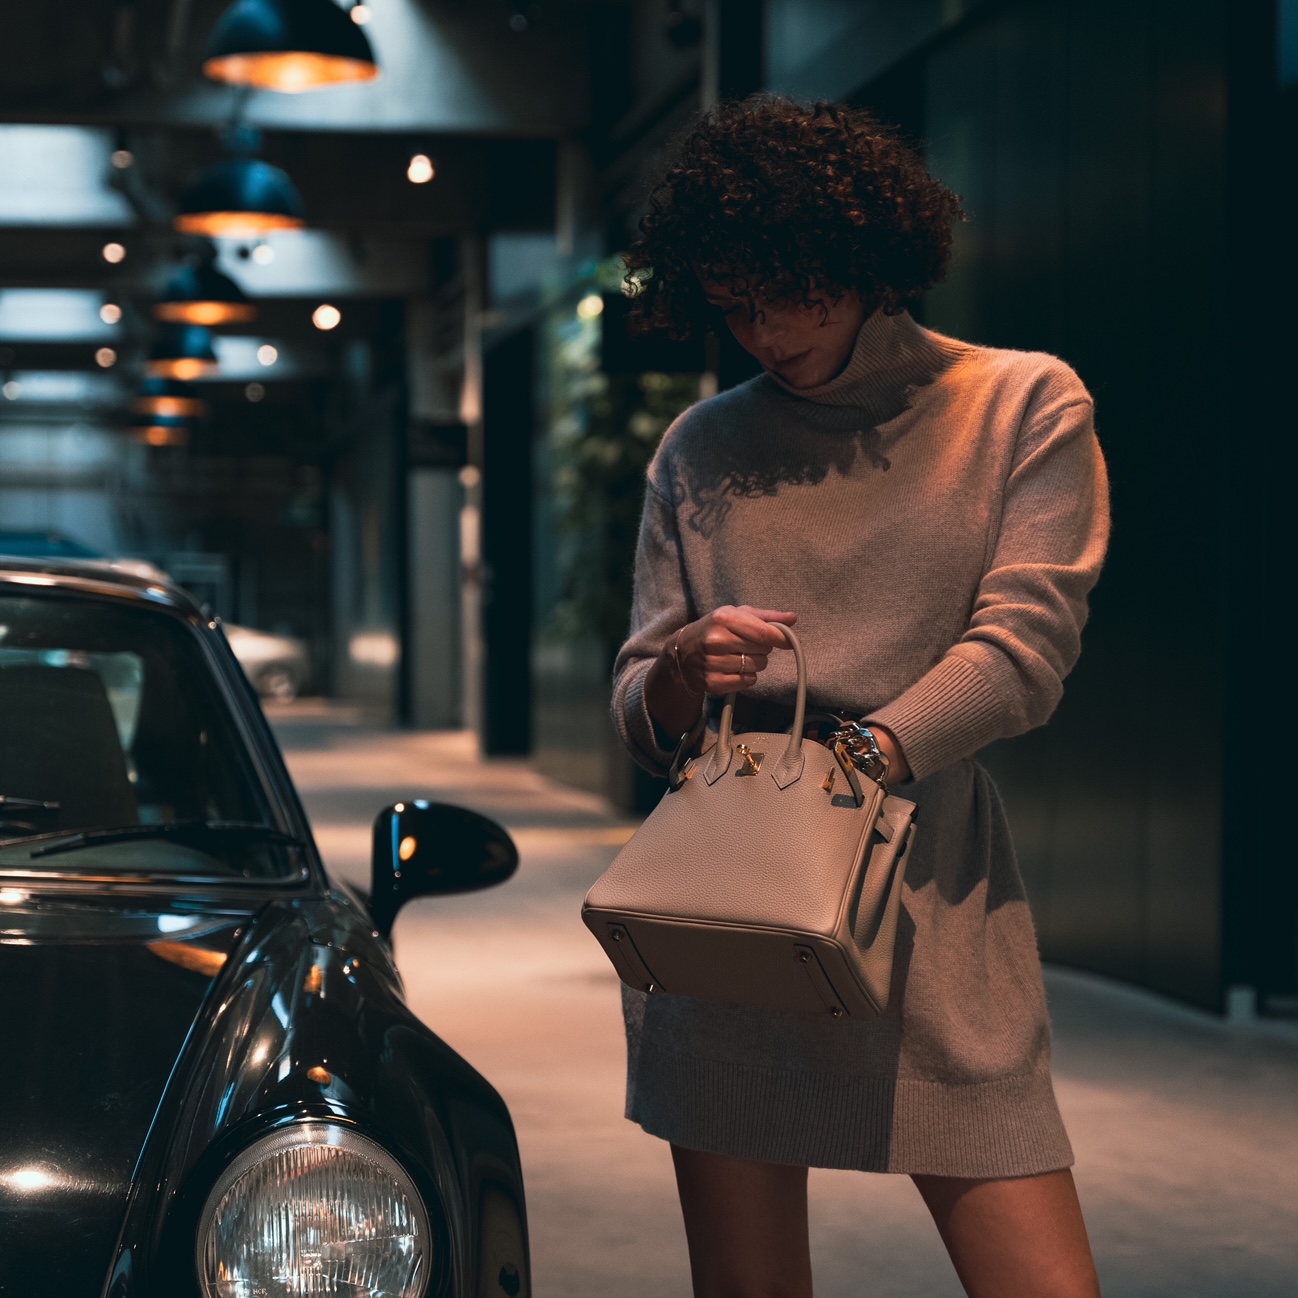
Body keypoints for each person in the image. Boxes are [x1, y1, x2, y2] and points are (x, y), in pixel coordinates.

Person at [610, 96, 1110, 1298]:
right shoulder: (699, 444)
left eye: (795, 292)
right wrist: (680, 670)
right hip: (732, 905)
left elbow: (1022, 651)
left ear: (867, 260)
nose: (769, 331)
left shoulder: (1020, 404)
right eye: (735, 303)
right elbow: (635, 699)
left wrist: (862, 760)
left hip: (928, 892)